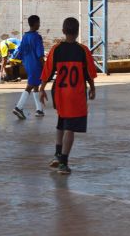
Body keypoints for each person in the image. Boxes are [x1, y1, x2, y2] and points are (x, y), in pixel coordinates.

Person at [39, 17, 96, 175]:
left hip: (59, 93)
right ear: (78, 32)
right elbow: (89, 73)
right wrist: (92, 88)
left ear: (63, 31)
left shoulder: (56, 49)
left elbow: (48, 71)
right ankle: (63, 163)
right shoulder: (83, 50)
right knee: (70, 128)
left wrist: (42, 88)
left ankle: (57, 154)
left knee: (61, 121)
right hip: (76, 94)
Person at [12, 15, 45, 120]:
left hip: (27, 64)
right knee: (30, 85)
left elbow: (20, 52)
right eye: (39, 22)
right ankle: (19, 107)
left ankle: (39, 110)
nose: (39, 24)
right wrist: (44, 65)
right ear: (35, 24)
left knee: (35, 85)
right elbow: (39, 54)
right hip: (36, 64)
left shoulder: (25, 36)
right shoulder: (37, 37)